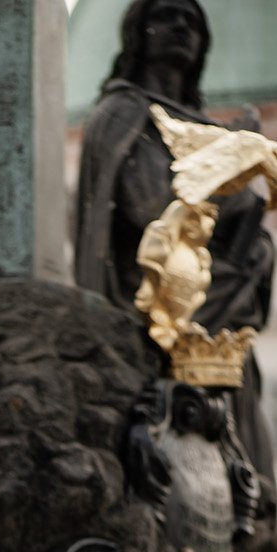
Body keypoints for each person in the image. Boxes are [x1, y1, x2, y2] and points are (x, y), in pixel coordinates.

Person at [74, 0, 274, 490]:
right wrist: (234, 159)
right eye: (167, 16)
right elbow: (153, 209)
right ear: (138, 33)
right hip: (149, 320)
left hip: (223, 335)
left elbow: (250, 232)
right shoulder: (121, 116)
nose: (181, 27)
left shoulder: (210, 132)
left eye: (192, 21)